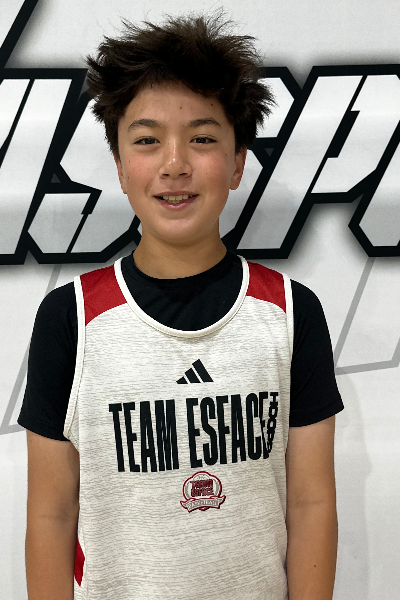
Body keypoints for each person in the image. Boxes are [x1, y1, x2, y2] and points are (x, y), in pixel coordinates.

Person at [18, 12, 344, 600]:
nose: (175, 164)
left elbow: (311, 502)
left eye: (202, 137)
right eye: (147, 140)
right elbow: (50, 514)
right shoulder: (71, 318)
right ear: (120, 165)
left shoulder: (291, 313)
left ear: (238, 162)